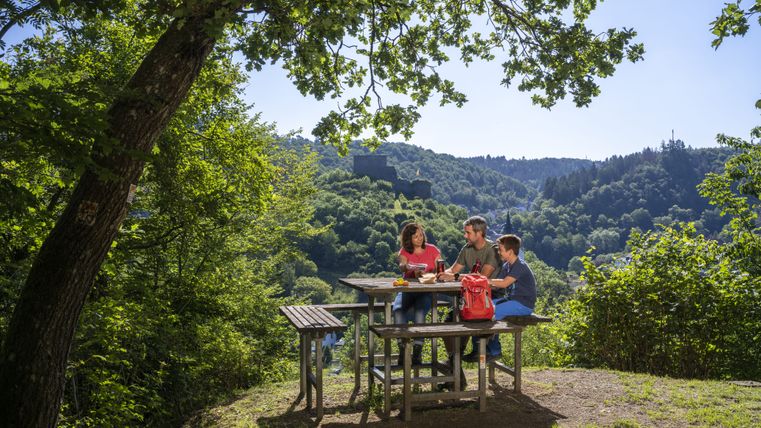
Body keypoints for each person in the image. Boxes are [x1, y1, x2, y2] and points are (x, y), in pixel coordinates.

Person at [435, 215, 501, 390]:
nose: (465, 236)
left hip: (487, 301)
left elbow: (482, 277)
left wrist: (454, 276)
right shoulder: (467, 248)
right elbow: (454, 269)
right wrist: (439, 275)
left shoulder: (492, 250)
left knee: (458, 328)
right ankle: (455, 372)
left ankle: (454, 374)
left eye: (468, 232)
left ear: (479, 233)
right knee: (448, 325)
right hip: (467, 300)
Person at [463, 234, 536, 363]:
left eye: (501, 250)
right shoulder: (507, 265)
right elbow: (497, 283)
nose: (498, 252)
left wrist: (484, 281)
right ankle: (478, 348)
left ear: (510, 251)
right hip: (512, 300)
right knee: (481, 308)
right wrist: (481, 280)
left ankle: (494, 350)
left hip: (523, 304)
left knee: (491, 311)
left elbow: (504, 283)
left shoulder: (520, 266)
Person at [393, 222, 441, 366]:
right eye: (415, 237)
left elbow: (440, 267)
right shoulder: (405, 251)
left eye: (421, 235)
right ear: (409, 239)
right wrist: (408, 267)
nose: (419, 238)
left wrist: (432, 273)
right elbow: (402, 265)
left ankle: (417, 352)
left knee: (420, 311)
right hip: (408, 289)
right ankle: (402, 350)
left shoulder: (432, 250)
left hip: (426, 290)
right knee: (397, 310)